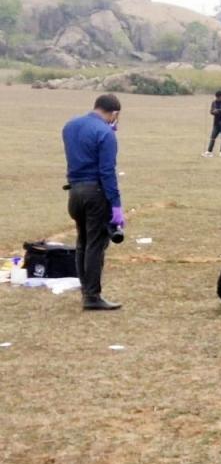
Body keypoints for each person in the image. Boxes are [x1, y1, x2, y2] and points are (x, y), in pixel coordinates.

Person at [62, 94, 125, 311]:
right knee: (96, 245)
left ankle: (85, 289)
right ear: (114, 113)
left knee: (82, 242)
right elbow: (107, 172)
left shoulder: (70, 126)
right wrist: (116, 204)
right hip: (95, 193)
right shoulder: (105, 133)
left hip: (75, 192)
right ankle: (92, 296)